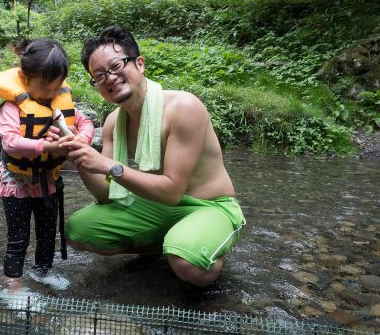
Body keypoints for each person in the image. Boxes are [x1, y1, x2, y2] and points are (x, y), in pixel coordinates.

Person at [55, 26, 245, 288]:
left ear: (139, 64)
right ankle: (164, 243)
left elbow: (172, 191)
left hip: (209, 205)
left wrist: (110, 166)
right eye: (99, 76)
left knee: (186, 261)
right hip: (157, 204)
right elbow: (105, 196)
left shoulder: (183, 108)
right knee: (79, 230)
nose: (109, 78)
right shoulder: (113, 123)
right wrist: (81, 158)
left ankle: (203, 255)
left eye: (116, 66)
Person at [0, 38, 94, 287]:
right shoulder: (12, 107)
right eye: (45, 88)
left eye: (56, 88)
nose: (51, 94)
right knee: (18, 237)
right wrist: (46, 146)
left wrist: (82, 138)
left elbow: (85, 123)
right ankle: (14, 283)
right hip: (16, 182)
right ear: (24, 77)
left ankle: (43, 272)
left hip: (48, 180)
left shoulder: (59, 103)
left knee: (46, 233)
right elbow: (10, 142)